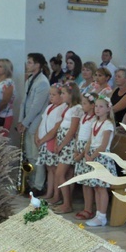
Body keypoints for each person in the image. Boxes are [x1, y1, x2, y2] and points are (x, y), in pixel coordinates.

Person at [79, 97, 117, 226]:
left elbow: (103, 145)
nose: (97, 109)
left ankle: (102, 216)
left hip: (102, 157)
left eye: (101, 106)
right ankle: (97, 215)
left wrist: (92, 156)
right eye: (96, 106)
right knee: (96, 187)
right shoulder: (94, 122)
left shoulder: (108, 124)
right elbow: (90, 140)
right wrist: (86, 152)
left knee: (102, 187)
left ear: (108, 109)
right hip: (93, 156)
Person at [17, 53, 51, 194]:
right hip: (27, 121)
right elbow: (24, 102)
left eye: (30, 62)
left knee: (36, 156)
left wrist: (25, 122)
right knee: (29, 155)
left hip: (36, 122)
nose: (28, 65)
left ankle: (39, 185)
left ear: (38, 65)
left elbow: (36, 107)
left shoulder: (42, 82)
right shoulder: (30, 79)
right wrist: (20, 120)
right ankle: (30, 182)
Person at [50, 83, 82, 214]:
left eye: (63, 93)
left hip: (69, 145)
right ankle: (65, 202)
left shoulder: (77, 108)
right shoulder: (69, 107)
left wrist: (62, 144)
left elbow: (72, 130)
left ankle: (67, 204)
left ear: (71, 94)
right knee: (67, 174)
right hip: (63, 143)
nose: (61, 95)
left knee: (60, 174)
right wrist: (58, 142)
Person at [35, 83, 65, 204]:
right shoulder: (49, 107)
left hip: (51, 141)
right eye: (50, 95)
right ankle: (49, 192)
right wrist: (37, 135)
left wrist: (43, 139)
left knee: (54, 169)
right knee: (49, 168)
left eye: (54, 94)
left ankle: (56, 195)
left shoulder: (61, 108)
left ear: (61, 95)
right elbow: (42, 122)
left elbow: (55, 129)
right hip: (44, 141)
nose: (51, 97)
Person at [72, 92, 97, 221]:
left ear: (93, 105)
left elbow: (91, 139)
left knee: (89, 182)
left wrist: (81, 154)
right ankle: (86, 207)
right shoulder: (83, 116)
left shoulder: (94, 120)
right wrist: (76, 149)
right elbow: (78, 134)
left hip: (87, 152)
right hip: (80, 149)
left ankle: (89, 209)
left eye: (85, 103)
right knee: (84, 183)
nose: (82, 106)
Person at [0, 58, 15, 133]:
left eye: (0, 66)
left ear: (6, 69)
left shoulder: (8, 82)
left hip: (3, 115)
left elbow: (5, 101)